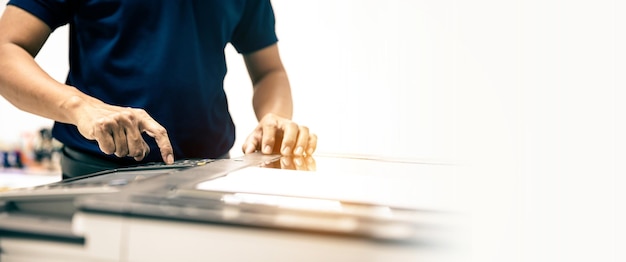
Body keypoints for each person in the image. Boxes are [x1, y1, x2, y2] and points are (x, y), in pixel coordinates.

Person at [0, 0, 317, 178]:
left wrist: (274, 117)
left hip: (210, 173)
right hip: (95, 174)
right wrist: (80, 106)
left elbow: (268, 71)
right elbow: (6, 50)